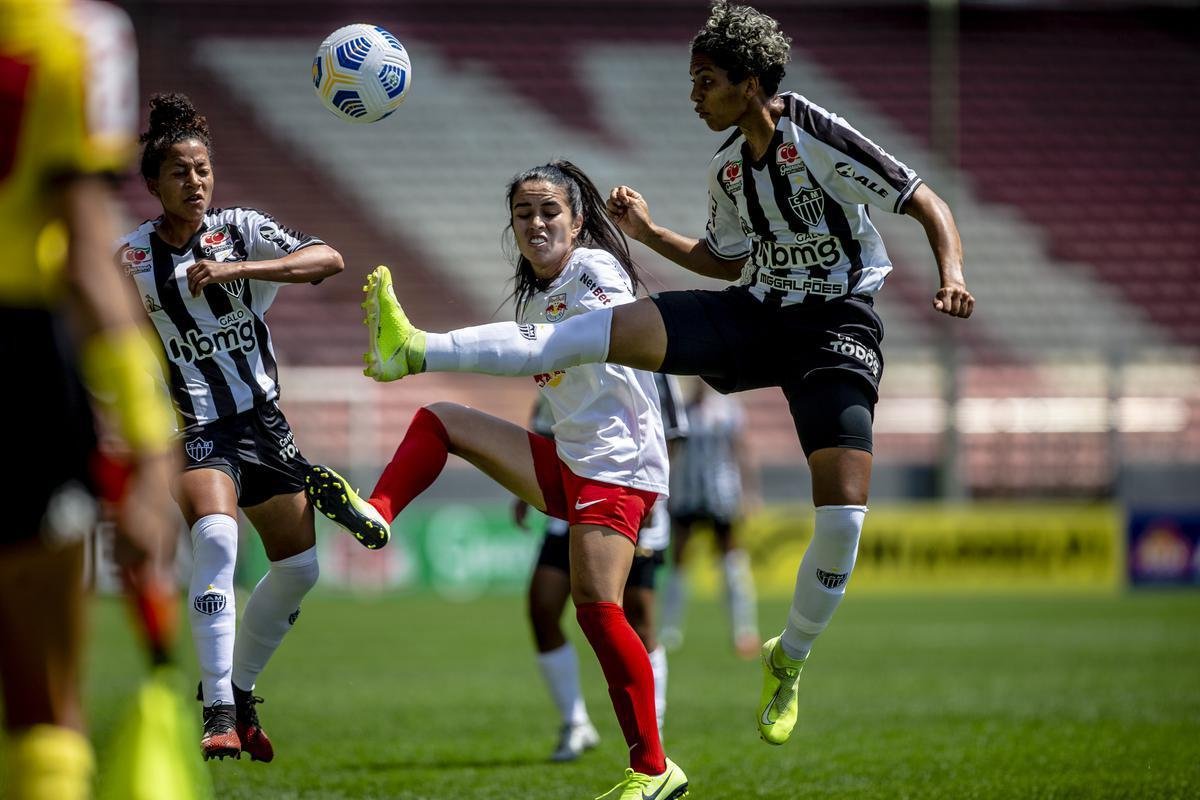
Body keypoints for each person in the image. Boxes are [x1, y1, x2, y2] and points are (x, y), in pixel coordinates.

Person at [360, 0, 974, 749]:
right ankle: (418, 349)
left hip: (834, 324)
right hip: (755, 313)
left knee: (843, 517)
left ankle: (791, 656)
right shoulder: (726, 169)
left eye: (706, 80)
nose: (693, 95)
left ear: (750, 84)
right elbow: (724, 260)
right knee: (592, 337)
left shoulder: (815, 134)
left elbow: (923, 199)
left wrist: (951, 273)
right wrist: (650, 236)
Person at [308, 160, 689, 799]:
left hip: (618, 466)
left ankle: (654, 770)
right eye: (523, 214)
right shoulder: (537, 294)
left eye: (549, 212)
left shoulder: (596, 271)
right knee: (441, 420)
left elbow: (544, 350)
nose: (536, 223)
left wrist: (423, 349)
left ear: (577, 221)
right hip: (572, 458)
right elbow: (542, 359)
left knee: (597, 610)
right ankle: (377, 512)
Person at [119, 92, 348, 762]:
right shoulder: (130, 261)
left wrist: (242, 269)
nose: (195, 182)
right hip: (193, 430)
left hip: (262, 422)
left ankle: (241, 690)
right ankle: (217, 706)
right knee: (216, 538)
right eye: (180, 173)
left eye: (202, 170)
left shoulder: (241, 230)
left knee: (300, 570)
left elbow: (327, 259)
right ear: (154, 184)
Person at [0, 2, 179, 798]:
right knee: (42, 705)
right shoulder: (71, 37)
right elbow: (84, 257)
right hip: (16, 346)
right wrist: (150, 449)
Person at [515, 372, 686, 762]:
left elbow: (673, 434)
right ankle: (575, 724)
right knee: (542, 608)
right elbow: (543, 427)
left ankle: (652, 730)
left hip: (630, 500)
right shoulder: (561, 353)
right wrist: (522, 491)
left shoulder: (651, 364)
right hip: (570, 504)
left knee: (639, 621)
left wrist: (652, 500)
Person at [661, 380, 760, 658]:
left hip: (722, 494)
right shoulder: (681, 409)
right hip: (687, 495)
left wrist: (750, 492)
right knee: (679, 561)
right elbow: (671, 451)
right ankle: (670, 631)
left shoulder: (729, 410)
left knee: (732, 561)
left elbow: (742, 450)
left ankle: (743, 630)